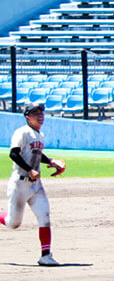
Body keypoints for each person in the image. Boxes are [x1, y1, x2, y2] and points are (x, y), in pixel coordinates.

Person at [0, 103, 66, 266]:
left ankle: (45, 255)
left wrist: (50, 161)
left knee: (45, 217)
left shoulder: (39, 135)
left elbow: (37, 153)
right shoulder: (22, 132)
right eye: (36, 113)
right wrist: (29, 170)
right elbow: (13, 154)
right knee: (13, 223)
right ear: (27, 117)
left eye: (41, 113)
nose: (40, 115)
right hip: (19, 184)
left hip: (36, 186)